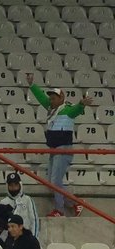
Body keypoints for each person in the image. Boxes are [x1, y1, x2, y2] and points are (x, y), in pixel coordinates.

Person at [26, 75, 98, 217]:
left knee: (55, 181)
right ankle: (76, 203)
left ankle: (60, 210)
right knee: (52, 182)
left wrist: (82, 104)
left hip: (63, 148)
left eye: (54, 98)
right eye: (51, 98)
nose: (51, 100)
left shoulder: (67, 109)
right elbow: (41, 97)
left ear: (61, 99)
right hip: (55, 149)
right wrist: (32, 84)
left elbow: (76, 109)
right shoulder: (52, 108)